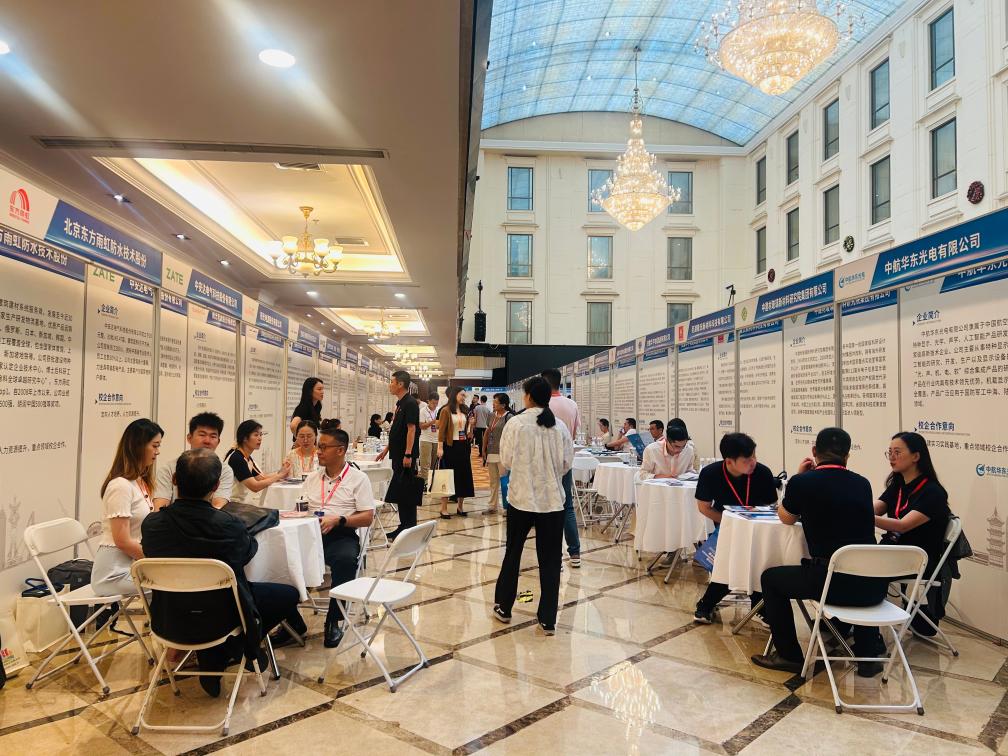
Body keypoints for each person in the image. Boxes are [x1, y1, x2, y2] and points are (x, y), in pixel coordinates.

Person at [141, 449, 307, 697]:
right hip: (223, 617)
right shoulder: (227, 525)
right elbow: (247, 553)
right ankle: (231, 647)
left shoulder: (152, 525)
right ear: (217, 486)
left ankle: (216, 653)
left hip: (168, 616)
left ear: (174, 480)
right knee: (289, 594)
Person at [751, 427, 888, 677]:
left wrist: (797, 479)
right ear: (847, 456)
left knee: (770, 579)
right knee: (858, 567)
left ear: (814, 451)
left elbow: (786, 518)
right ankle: (868, 657)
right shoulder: (862, 483)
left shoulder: (803, 482)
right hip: (873, 587)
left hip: (832, 585)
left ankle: (788, 655)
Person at [492, 376, 573, 635]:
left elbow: (506, 460)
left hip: (521, 499)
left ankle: (504, 606)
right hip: (552, 502)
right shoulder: (559, 426)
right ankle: (548, 618)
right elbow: (566, 463)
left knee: (513, 553)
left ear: (527, 396)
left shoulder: (516, 424)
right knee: (550, 560)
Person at [301, 424, 375, 648]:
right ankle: (291, 622)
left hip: (341, 533)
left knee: (345, 560)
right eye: (319, 446)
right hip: (311, 533)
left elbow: (367, 517)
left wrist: (339, 519)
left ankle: (334, 619)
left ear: (340, 450)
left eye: (324, 447)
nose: (318, 451)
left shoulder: (358, 479)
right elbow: (302, 507)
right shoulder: (312, 478)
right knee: (281, 559)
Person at [693, 432, 778, 624]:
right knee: (728, 563)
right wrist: (732, 522)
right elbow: (704, 507)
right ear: (729, 461)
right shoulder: (711, 474)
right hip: (727, 528)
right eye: (747, 460)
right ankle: (706, 604)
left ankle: (759, 606)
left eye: (754, 456)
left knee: (760, 563)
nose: (753, 462)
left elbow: (771, 506)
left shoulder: (762, 473)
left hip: (758, 530)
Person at [875, 431, 952, 636]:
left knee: (863, 569)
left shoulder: (933, 492)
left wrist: (861, 515)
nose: (892, 457)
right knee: (852, 560)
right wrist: (855, 507)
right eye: (889, 452)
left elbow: (902, 526)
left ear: (916, 456)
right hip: (893, 552)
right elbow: (876, 508)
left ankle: (869, 634)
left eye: (897, 452)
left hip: (916, 559)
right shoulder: (898, 485)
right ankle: (848, 624)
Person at [91, 419, 163, 596]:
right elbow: (122, 541)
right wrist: (155, 562)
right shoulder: (120, 486)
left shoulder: (140, 481)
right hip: (112, 574)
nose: (157, 451)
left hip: (131, 566)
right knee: (172, 584)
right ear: (138, 446)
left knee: (176, 580)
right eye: (154, 446)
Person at [542, 368, 582, 568]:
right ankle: (574, 553)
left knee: (547, 508)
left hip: (545, 462)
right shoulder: (572, 404)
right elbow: (573, 433)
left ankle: (553, 556)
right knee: (567, 506)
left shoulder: (542, 404)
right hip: (566, 460)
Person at [154, 412, 235, 511]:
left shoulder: (225, 470)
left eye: (213, 436)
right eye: (202, 435)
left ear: (218, 441)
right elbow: (160, 507)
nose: (207, 441)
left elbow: (219, 506)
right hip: (173, 520)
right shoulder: (169, 468)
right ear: (189, 438)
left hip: (208, 521)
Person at [378, 370, 422, 541]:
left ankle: (408, 527)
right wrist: (387, 449)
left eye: (392, 381)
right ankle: (404, 526)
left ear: (400, 384)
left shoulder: (410, 403)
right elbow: (398, 430)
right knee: (402, 493)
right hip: (398, 454)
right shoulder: (400, 403)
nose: (390, 385)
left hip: (405, 456)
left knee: (406, 492)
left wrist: (408, 454)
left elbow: (411, 429)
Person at [224, 420, 292, 505]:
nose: (260, 438)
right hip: (229, 504)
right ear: (245, 438)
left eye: (260, 435)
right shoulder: (237, 458)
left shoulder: (247, 458)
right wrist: (279, 475)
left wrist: (281, 472)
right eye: (256, 435)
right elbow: (255, 487)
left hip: (238, 503)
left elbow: (261, 478)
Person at [436, 386, 475, 518]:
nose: (464, 397)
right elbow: (441, 431)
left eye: (465, 395)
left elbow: (468, 432)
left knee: (463, 475)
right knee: (447, 477)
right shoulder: (445, 410)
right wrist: (440, 448)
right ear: (455, 395)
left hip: (463, 446)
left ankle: (460, 507)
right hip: (450, 447)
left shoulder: (465, 410)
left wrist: (471, 425)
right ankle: (443, 508)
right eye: (462, 395)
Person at [483, 393, 515, 513]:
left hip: (504, 453)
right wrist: (483, 449)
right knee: (493, 481)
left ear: (503, 405)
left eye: (495, 402)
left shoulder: (509, 417)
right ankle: (492, 506)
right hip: (491, 451)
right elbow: (487, 432)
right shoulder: (491, 415)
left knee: (505, 482)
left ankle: (507, 507)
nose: (493, 404)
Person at [418, 395, 439, 482]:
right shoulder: (423, 411)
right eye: (433, 403)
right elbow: (421, 426)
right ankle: (425, 483)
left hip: (437, 440)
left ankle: (433, 482)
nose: (435, 405)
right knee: (425, 463)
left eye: (436, 403)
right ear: (428, 401)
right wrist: (433, 422)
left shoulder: (439, 410)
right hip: (426, 439)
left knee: (434, 464)